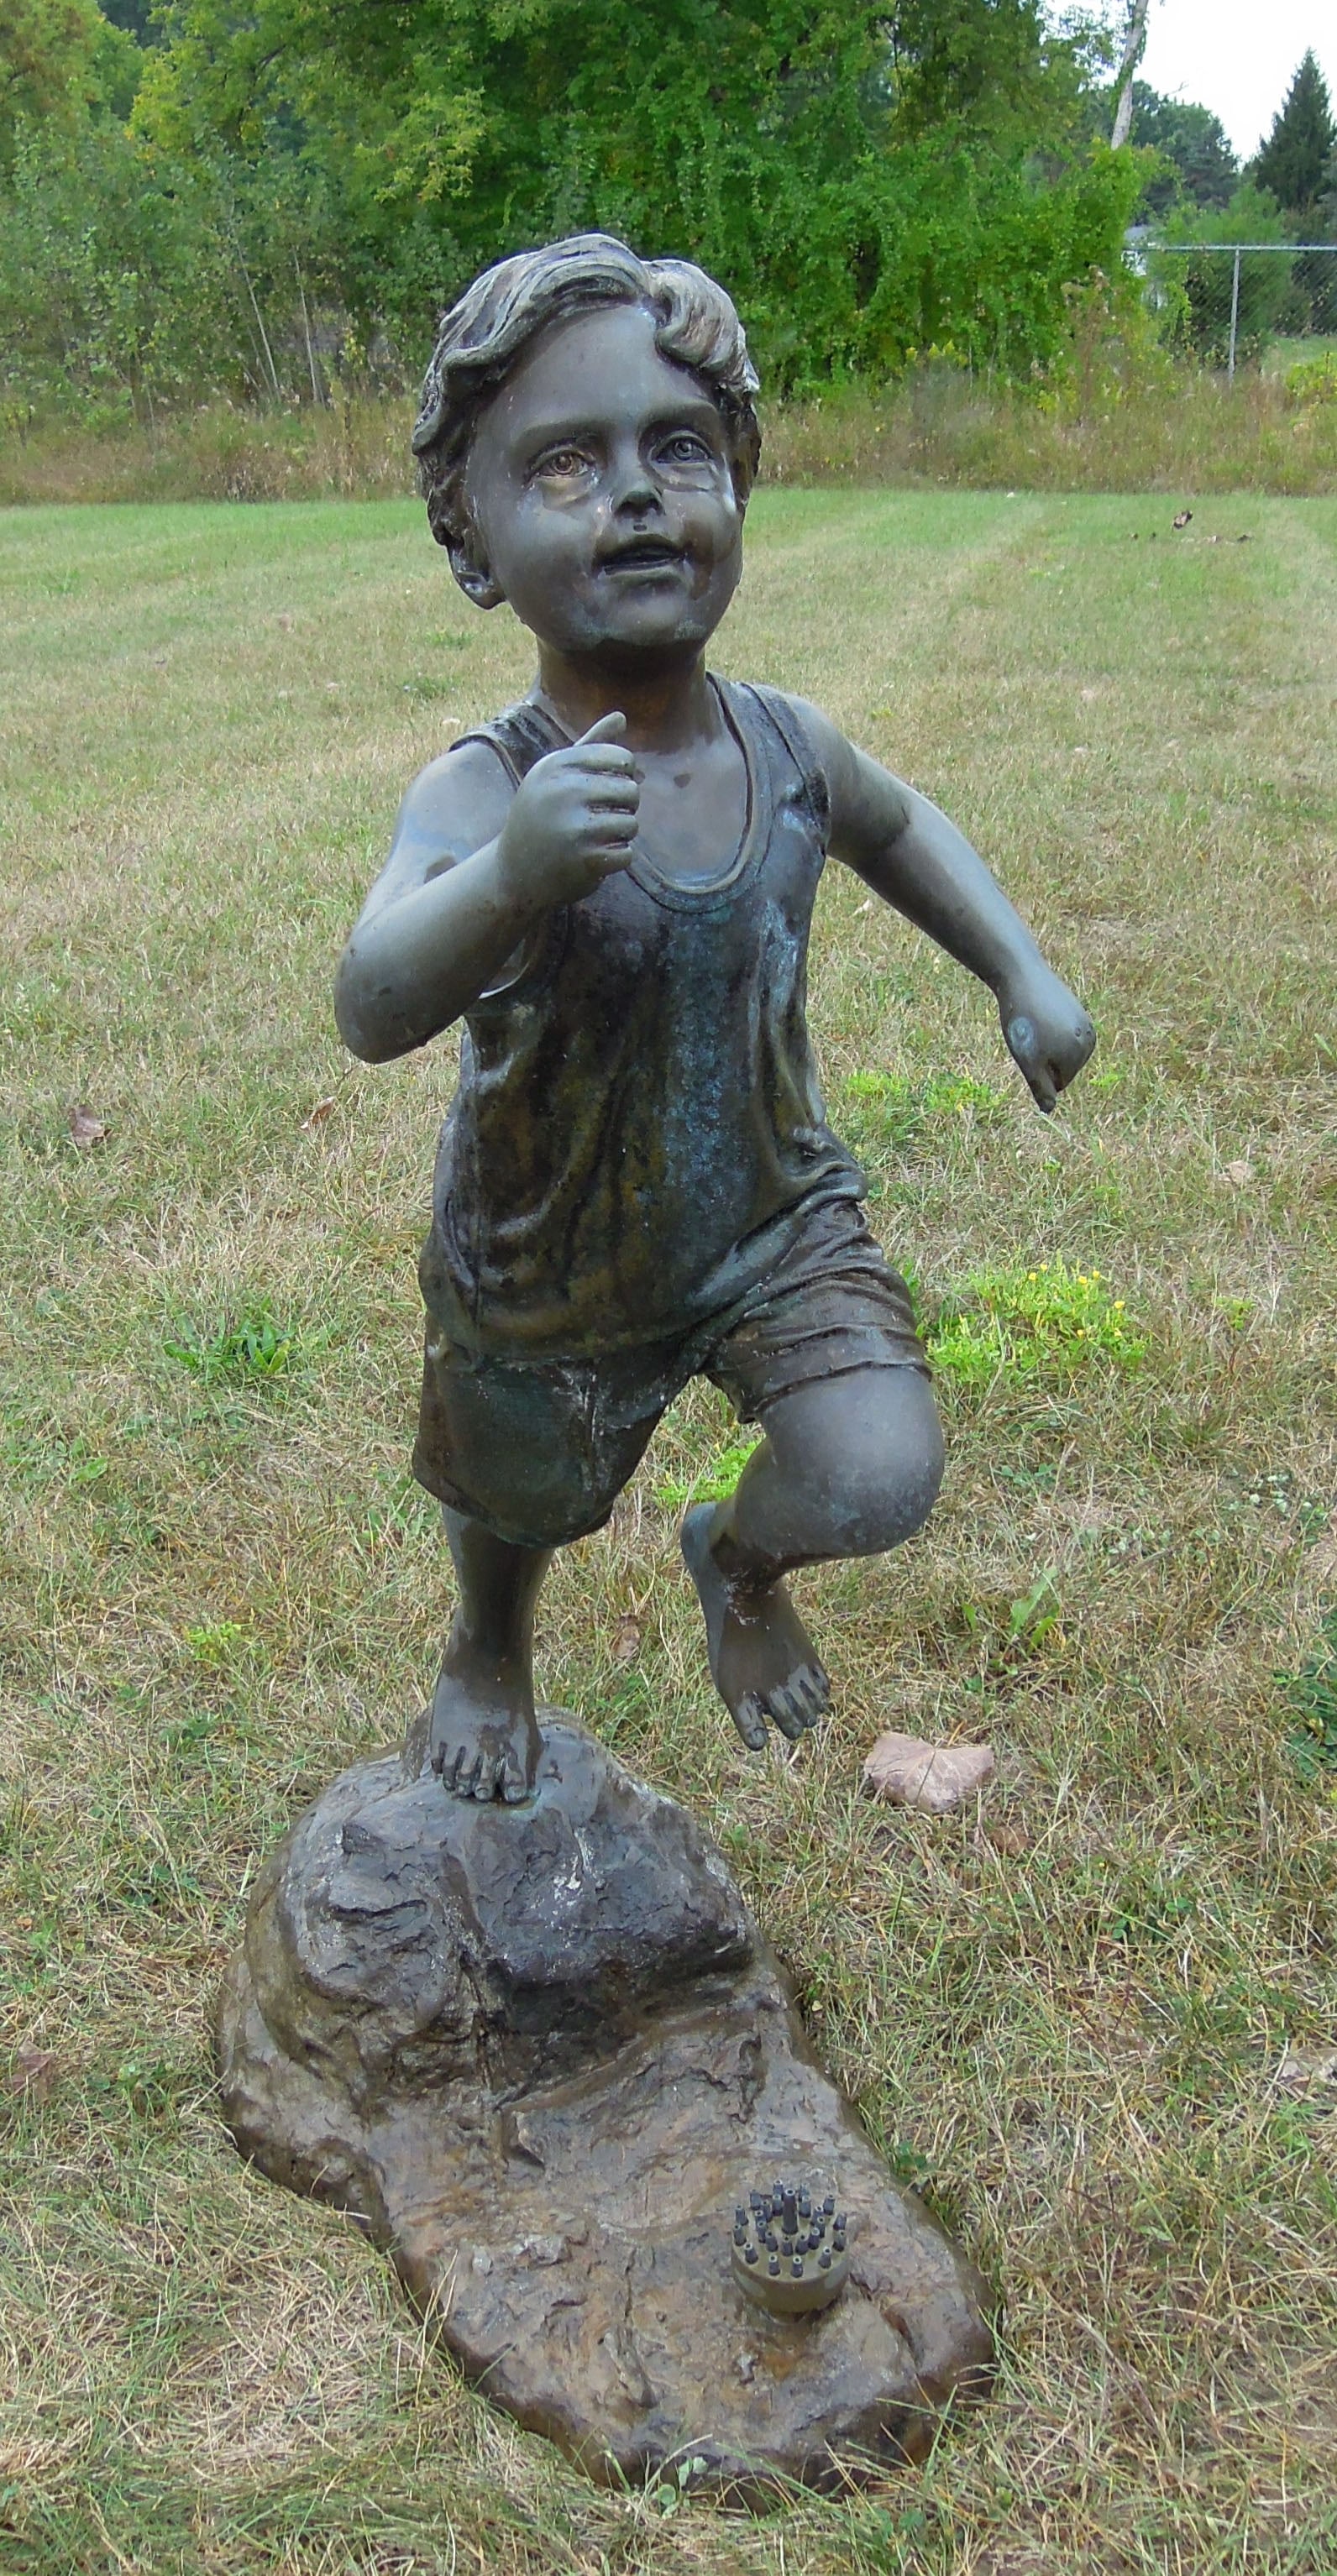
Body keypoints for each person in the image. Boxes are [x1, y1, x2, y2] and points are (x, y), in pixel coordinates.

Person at [335, 233, 1095, 1804]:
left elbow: (898, 826)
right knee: (517, 1496)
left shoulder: (787, 748)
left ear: (740, 482)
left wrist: (1019, 971)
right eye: (565, 464)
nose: (633, 495)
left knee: (878, 1468)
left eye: (678, 449)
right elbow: (370, 1001)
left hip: (769, 1212)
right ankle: (488, 1646)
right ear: (471, 536)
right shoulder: (489, 787)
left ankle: (737, 1560)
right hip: (550, 1251)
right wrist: (509, 877)